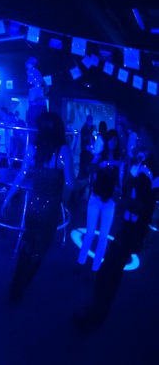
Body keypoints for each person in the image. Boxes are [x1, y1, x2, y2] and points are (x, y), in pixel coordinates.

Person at [73, 122, 159, 331]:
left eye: (141, 134)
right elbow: (138, 194)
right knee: (111, 270)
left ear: (149, 137)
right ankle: (97, 312)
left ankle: (95, 316)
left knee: (109, 272)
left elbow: (140, 203)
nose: (137, 138)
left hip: (131, 227)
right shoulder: (144, 163)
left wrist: (120, 199)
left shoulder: (148, 167)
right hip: (130, 225)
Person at [1, 112, 81, 303]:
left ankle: (15, 286)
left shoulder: (33, 148)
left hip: (33, 205)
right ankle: (22, 287)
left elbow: (21, 176)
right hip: (50, 209)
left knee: (27, 245)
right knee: (40, 250)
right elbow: (71, 184)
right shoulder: (63, 151)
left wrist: (7, 198)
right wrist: (86, 181)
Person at [78, 129, 122, 272]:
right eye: (111, 139)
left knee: (103, 237)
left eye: (115, 139)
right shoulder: (100, 156)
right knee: (90, 233)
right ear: (107, 140)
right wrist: (104, 164)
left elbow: (120, 181)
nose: (113, 142)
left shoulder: (120, 159)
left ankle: (96, 268)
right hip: (96, 199)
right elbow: (90, 168)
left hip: (109, 202)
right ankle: (81, 261)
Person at [25, 56, 48, 133]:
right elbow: (46, 88)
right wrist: (41, 95)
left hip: (35, 104)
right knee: (41, 128)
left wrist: (33, 98)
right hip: (42, 103)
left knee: (32, 128)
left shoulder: (31, 72)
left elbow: (38, 84)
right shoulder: (39, 73)